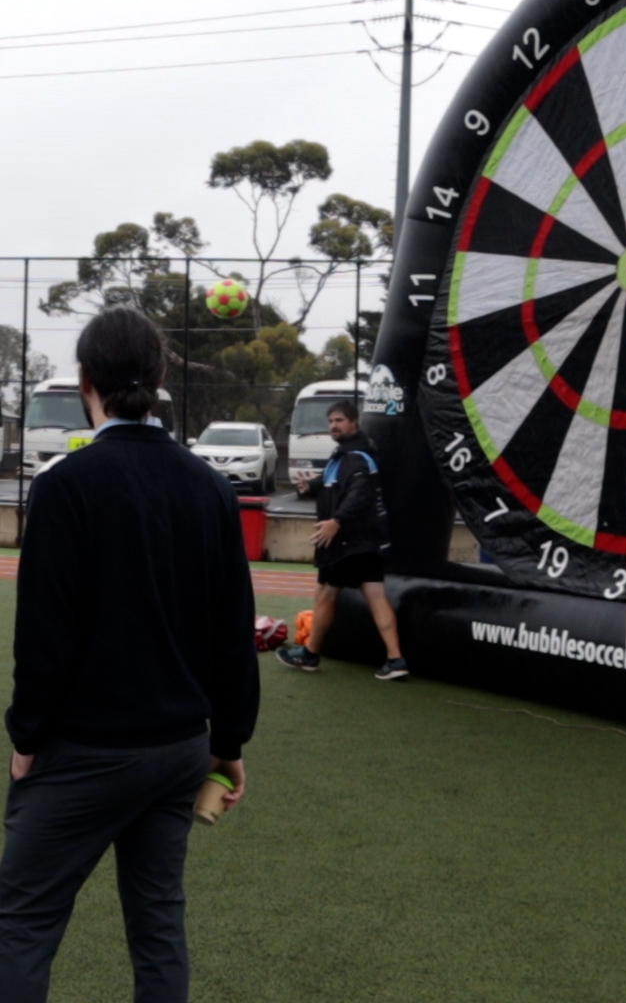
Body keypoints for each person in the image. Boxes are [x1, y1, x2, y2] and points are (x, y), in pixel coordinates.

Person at [0, 307, 260, 1003]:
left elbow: (45, 635)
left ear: (85, 380)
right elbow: (233, 630)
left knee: (22, 925)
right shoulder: (210, 487)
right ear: (161, 375)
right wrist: (229, 740)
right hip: (178, 750)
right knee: (157, 925)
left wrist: (26, 737)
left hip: (82, 751)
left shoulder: (63, 486)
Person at [277, 400, 407, 680]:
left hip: (347, 544)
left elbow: (360, 493)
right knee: (376, 597)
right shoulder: (347, 454)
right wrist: (309, 486)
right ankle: (396, 660)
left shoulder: (355, 457)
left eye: (340, 420)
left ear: (354, 423)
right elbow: (333, 483)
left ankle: (310, 654)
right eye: (331, 421)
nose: (334, 425)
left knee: (325, 595)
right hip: (365, 542)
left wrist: (336, 522)